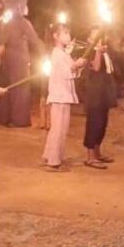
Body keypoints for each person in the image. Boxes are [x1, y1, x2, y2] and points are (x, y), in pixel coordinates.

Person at [41, 23, 87, 171]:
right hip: (59, 95)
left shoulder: (63, 53)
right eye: (65, 33)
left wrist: (78, 65)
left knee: (60, 128)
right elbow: (65, 72)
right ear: (56, 36)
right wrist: (76, 65)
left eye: (68, 33)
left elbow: (73, 71)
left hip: (64, 95)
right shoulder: (56, 54)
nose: (68, 36)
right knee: (58, 129)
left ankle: (51, 156)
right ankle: (53, 161)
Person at [0, 4, 43, 128]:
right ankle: (19, 119)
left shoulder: (5, 21)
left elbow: (1, 41)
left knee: (6, 88)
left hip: (6, 58)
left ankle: (4, 117)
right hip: (19, 60)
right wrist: (45, 53)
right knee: (20, 88)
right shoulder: (24, 22)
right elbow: (34, 40)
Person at [82, 30, 117, 168]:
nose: (99, 37)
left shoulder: (105, 51)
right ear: (89, 38)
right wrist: (97, 50)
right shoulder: (89, 51)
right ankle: (90, 156)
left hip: (104, 92)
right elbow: (96, 67)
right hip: (94, 93)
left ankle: (97, 152)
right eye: (95, 34)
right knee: (93, 123)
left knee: (102, 123)